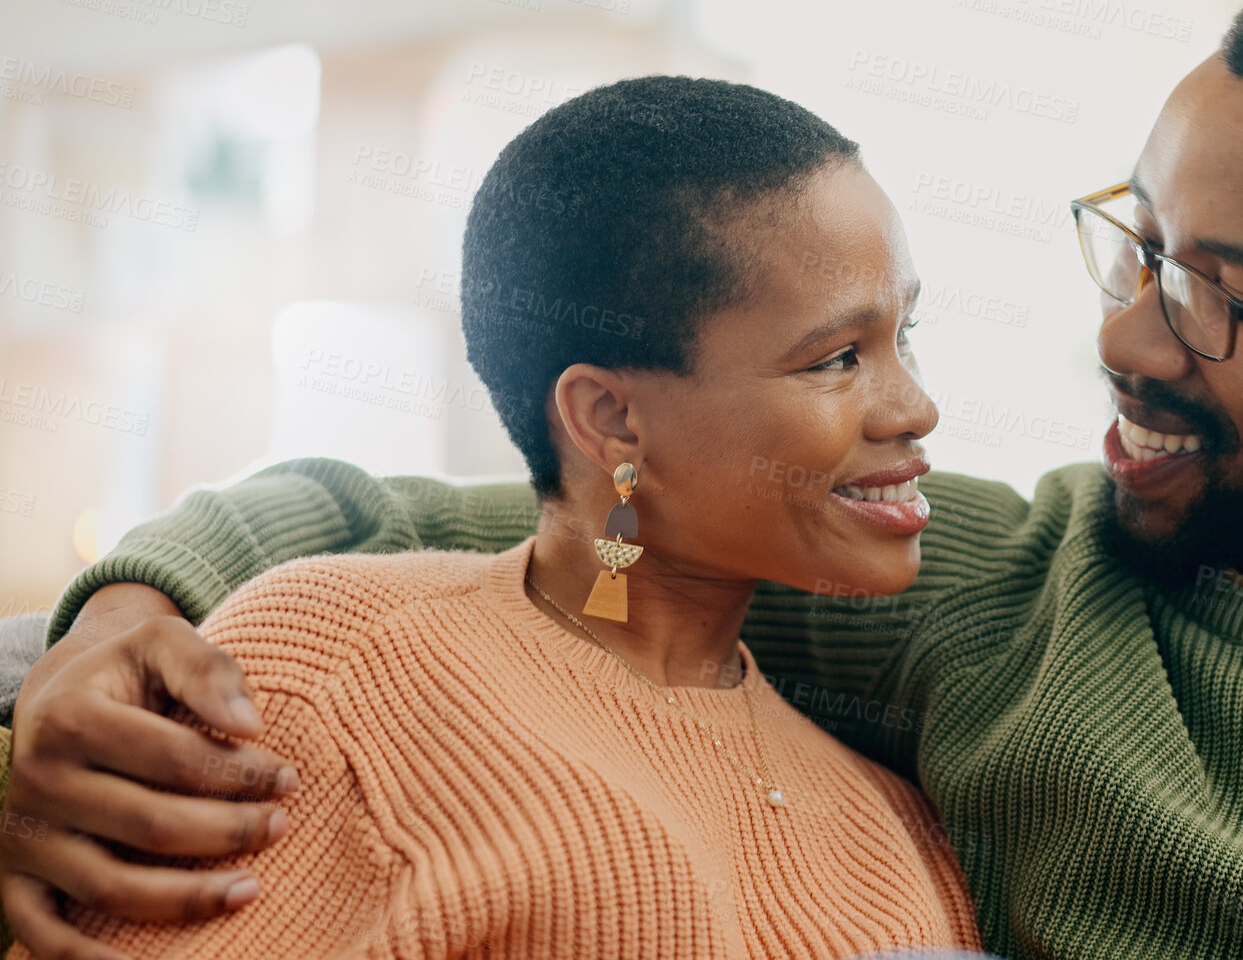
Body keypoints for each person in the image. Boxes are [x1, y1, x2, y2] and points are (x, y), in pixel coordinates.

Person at [1, 0, 1243, 960]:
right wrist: (123, 606)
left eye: (1221, 295)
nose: (1127, 340)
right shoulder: (1008, 589)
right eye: (1139, 245)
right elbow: (447, 516)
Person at [2, 75, 985, 958]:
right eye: (836, 358)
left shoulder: (896, 821)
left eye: (904, 335)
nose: (916, 407)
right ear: (611, 418)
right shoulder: (326, 673)